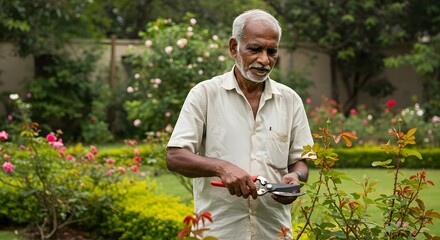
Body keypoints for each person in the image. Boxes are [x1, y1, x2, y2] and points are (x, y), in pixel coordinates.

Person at [166, 9, 314, 239]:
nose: (264, 60)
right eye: (255, 49)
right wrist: (221, 167)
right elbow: (175, 156)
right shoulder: (205, 95)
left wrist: (294, 179)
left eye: (271, 51)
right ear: (234, 47)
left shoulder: (290, 100)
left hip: (274, 231)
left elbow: (300, 162)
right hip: (219, 232)